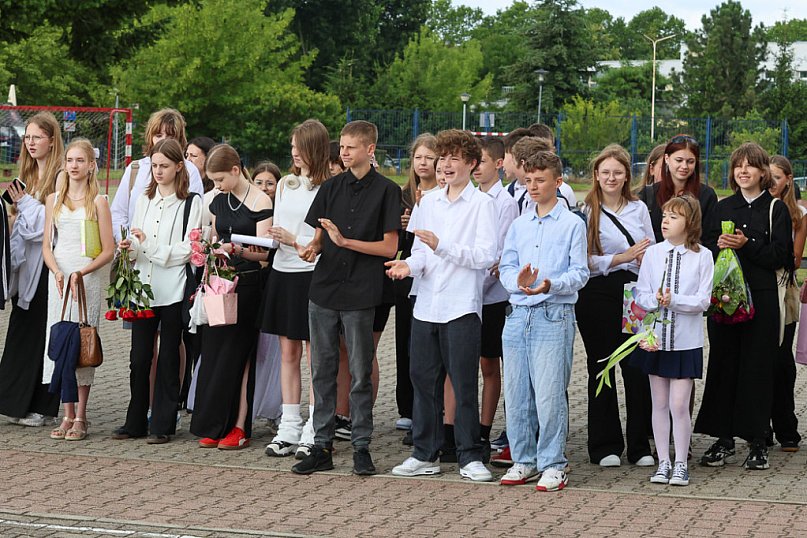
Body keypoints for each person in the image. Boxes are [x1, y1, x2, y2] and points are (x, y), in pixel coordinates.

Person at [387, 129, 497, 482]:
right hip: (426, 304)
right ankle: (424, 453)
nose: (445, 166)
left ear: (471, 164)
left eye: (454, 159)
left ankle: (469, 456)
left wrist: (443, 245)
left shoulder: (483, 204)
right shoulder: (428, 201)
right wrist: (408, 266)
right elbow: (420, 251)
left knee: (463, 383)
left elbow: (485, 257)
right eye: (442, 159)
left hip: (461, 306)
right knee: (422, 380)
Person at [292, 120, 401, 476]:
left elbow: (389, 247)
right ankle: (321, 445)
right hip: (324, 288)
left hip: (361, 291)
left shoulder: (387, 190)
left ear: (370, 150)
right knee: (321, 369)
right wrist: (314, 246)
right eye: (341, 146)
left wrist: (346, 242)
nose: (343, 152)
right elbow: (322, 235)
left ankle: (361, 447)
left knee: (359, 372)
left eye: (351, 147)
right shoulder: (331, 187)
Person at [695, 143, 793, 470]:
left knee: (757, 369)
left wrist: (746, 244)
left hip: (762, 298)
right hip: (725, 299)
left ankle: (757, 441)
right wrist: (719, 245)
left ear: (763, 172)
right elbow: (706, 246)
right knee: (724, 365)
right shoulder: (724, 208)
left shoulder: (775, 209)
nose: (743, 172)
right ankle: (723, 439)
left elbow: (781, 256)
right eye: (739, 166)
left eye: (751, 166)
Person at [497, 150, 589, 492]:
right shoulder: (519, 224)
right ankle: (524, 458)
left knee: (549, 394)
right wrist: (516, 281)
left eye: (540, 180)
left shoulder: (572, 224)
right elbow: (506, 266)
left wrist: (552, 284)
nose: (533, 186)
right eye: (529, 180)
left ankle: (553, 462)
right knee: (517, 392)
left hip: (553, 314)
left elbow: (580, 272)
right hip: (518, 314)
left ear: (558, 182)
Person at [111, 139, 202, 444]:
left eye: (164, 166)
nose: (158, 171)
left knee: (168, 358)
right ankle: (135, 420)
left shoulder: (191, 201)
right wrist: (131, 247)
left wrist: (147, 245)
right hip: (143, 290)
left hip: (173, 288)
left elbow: (188, 249)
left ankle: (163, 423)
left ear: (179, 166)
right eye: (154, 166)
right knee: (138, 358)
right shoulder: (144, 200)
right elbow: (137, 239)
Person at [576, 144, 655, 468]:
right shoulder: (586, 211)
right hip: (597, 293)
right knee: (601, 366)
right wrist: (620, 257)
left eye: (617, 173)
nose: (611, 177)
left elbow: (651, 249)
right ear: (596, 175)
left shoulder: (639, 209)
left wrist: (640, 261)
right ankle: (604, 445)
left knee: (636, 369)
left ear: (627, 176)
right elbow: (584, 261)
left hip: (634, 292)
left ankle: (639, 445)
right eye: (605, 172)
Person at [190, 144, 273, 449]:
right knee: (213, 354)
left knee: (239, 357)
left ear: (236, 171)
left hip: (248, 285)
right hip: (218, 283)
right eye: (213, 181)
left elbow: (264, 255)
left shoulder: (260, 200)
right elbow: (212, 236)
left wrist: (237, 250)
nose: (217, 186)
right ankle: (212, 422)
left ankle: (239, 425)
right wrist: (205, 248)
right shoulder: (217, 201)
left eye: (221, 179)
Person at [629, 195, 714, 487]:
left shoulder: (703, 255)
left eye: (674, 217)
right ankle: (663, 462)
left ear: (689, 223)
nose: (666, 221)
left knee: (680, 404)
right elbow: (640, 294)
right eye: (664, 215)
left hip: (685, 341)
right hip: (655, 340)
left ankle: (681, 463)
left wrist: (674, 299)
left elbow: (703, 300)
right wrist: (654, 299)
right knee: (660, 403)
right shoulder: (653, 254)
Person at [262, 119, 330, 459]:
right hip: (282, 271)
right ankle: (289, 423)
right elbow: (279, 225)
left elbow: (324, 240)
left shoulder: (329, 187)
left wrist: (294, 239)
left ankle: (315, 427)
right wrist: (275, 239)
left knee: (313, 354)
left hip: (312, 275)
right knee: (287, 352)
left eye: (299, 147)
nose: (293, 153)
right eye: (291, 147)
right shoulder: (286, 184)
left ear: (314, 148)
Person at [42, 139, 115, 441]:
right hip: (59, 278)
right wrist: (58, 271)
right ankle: (66, 412)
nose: (74, 166)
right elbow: (48, 246)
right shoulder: (53, 200)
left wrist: (81, 273)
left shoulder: (98, 202)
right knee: (61, 341)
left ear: (90, 166)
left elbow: (108, 250)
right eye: (70, 160)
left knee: (82, 342)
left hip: (86, 278)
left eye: (80, 161)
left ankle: (81, 416)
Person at [0, 112, 64, 426]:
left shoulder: (59, 177)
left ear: (52, 140)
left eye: (37, 137)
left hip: (49, 267)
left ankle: (45, 406)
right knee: (22, 331)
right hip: (26, 268)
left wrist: (24, 204)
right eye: (27, 137)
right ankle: (16, 402)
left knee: (44, 333)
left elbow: (49, 226)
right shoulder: (29, 175)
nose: (31, 143)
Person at [472, 136, 518, 447]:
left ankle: (484, 428)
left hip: (491, 297)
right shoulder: (470, 199)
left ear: (499, 164)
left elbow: (498, 256)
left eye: (482, 161)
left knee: (490, 363)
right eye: (472, 162)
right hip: (465, 296)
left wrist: (476, 285)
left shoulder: (506, 204)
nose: (475, 168)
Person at [395, 134, 438, 443]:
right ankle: (407, 407)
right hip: (408, 275)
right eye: (418, 158)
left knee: (432, 350)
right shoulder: (402, 194)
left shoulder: (444, 194)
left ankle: (433, 412)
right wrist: (402, 225)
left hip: (437, 277)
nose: (423, 163)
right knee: (406, 343)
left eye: (429, 158)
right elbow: (396, 244)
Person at [111, 108, 204, 242]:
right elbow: (118, 213)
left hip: (172, 254)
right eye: (158, 135)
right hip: (136, 255)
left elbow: (194, 218)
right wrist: (127, 243)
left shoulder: (190, 171)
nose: (163, 140)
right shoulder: (136, 169)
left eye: (170, 136)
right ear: (151, 137)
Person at [766, 155, 804, 452]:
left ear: (788, 179)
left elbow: (792, 257)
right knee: (758, 359)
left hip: (783, 289)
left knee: (781, 359)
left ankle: (786, 426)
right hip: (757, 288)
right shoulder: (755, 208)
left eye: (776, 177)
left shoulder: (798, 214)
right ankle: (759, 426)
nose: (771, 182)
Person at [638, 135, 717, 244]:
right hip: (655, 259)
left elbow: (709, 239)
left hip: (692, 258)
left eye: (690, 161)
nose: (684, 166)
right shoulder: (648, 194)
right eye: (679, 160)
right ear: (667, 159)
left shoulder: (707, 195)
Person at [251, 160, 283, 425]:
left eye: (270, 183)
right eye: (259, 182)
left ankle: (274, 407)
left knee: (273, 350)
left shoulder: (282, 211)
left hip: (273, 280)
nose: (264, 187)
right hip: (253, 279)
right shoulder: (250, 208)